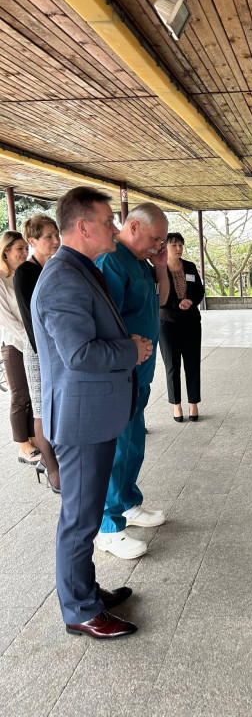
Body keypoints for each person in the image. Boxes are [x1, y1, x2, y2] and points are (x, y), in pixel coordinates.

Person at [32, 186, 153, 639]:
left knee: (83, 514)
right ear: (83, 227)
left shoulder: (80, 270)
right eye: (107, 221)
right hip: (81, 420)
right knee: (80, 520)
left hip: (93, 414)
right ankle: (80, 610)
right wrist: (131, 350)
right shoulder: (63, 278)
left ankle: (86, 591)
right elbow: (79, 354)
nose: (115, 229)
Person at [95, 203, 169, 560]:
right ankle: (108, 527)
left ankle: (127, 502)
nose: (158, 246)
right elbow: (106, 323)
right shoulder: (111, 261)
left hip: (141, 371)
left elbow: (161, 301)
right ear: (134, 226)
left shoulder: (141, 261)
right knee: (118, 446)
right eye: (155, 239)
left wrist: (160, 266)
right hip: (122, 372)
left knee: (134, 441)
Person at [14, 214, 61, 492]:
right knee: (42, 410)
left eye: (57, 234)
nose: (56, 240)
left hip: (59, 344)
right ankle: (52, 470)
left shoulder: (55, 266)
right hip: (38, 348)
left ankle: (55, 460)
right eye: (48, 236)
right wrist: (49, 353)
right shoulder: (25, 272)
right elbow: (31, 321)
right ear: (32, 241)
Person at [0, 230, 39, 465]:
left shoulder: (23, 275)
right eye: (19, 249)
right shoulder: (1, 280)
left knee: (34, 395)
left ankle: (34, 439)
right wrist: (32, 342)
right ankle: (23, 447)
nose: (25, 253)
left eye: (26, 248)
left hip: (33, 343)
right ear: (6, 251)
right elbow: (8, 320)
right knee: (20, 396)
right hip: (14, 345)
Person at [159, 232, 205, 423]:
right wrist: (176, 304)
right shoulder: (158, 269)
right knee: (172, 366)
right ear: (165, 247)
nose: (178, 248)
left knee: (192, 364)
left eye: (180, 245)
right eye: (174, 245)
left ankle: (193, 403)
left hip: (191, 322)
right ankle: (176, 405)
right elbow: (156, 296)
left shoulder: (190, 266)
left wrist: (191, 301)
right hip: (168, 323)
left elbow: (199, 290)